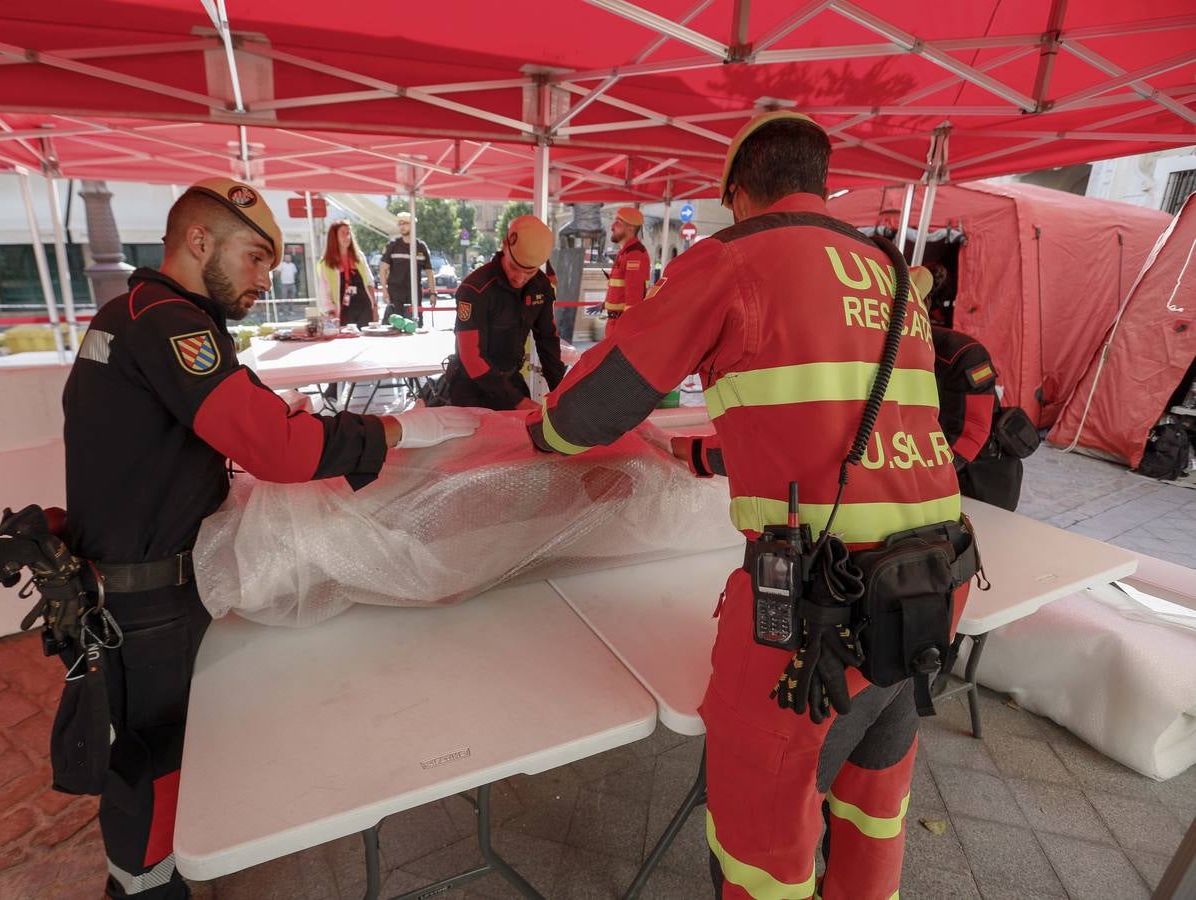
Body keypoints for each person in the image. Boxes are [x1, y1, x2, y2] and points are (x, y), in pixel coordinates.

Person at [524, 112, 966, 899]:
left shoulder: (734, 258)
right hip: (933, 581)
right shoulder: (890, 271)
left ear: (737, 193)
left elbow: (596, 404)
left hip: (822, 610)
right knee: (872, 807)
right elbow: (845, 424)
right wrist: (701, 454)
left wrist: (542, 434)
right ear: (821, 182)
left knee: (762, 842)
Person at [59, 177, 479, 900]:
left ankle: (151, 874)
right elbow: (275, 449)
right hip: (146, 598)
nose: (264, 278)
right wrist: (391, 430)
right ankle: (146, 888)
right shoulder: (169, 323)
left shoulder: (128, 313)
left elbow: (215, 421)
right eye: (254, 258)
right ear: (197, 241)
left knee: (155, 748)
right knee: (155, 756)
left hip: (129, 579)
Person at [448, 215, 566, 411]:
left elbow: (547, 340)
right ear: (504, 245)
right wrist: (517, 402)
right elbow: (472, 358)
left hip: (510, 380)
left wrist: (561, 394)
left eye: (529, 273)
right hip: (472, 387)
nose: (519, 279)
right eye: (513, 267)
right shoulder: (475, 289)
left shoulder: (541, 286)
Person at [933, 325, 1025, 510]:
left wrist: (930, 478)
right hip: (950, 464)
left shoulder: (966, 354)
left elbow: (971, 433)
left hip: (983, 473)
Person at [316, 221, 376, 328]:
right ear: (334, 237)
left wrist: (374, 307)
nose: (347, 236)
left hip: (364, 308)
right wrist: (330, 311)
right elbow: (323, 291)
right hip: (343, 310)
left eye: (348, 233)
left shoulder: (359, 257)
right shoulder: (325, 264)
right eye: (343, 233)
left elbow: (369, 283)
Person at [601, 207, 651, 334]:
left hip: (622, 325)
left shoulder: (634, 254)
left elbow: (634, 294)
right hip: (615, 321)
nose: (612, 227)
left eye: (618, 223)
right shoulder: (625, 252)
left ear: (630, 228)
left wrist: (627, 327)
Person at [379, 211, 434, 324]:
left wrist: (433, 293)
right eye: (400, 223)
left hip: (414, 295)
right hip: (395, 295)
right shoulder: (392, 245)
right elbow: (383, 269)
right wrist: (384, 291)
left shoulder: (421, 247)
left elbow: (429, 271)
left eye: (405, 223)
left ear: (413, 225)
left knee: (415, 326)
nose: (402, 226)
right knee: (395, 327)